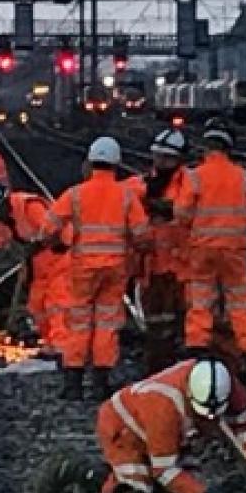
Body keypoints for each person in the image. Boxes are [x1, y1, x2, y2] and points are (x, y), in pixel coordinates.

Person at [45, 136, 150, 402]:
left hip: (83, 269)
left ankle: (73, 384)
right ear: (116, 164)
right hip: (115, 268)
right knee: (107, 322)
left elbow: (48, 227)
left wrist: (57, 244)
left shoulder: (76, 194)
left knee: (78, 322)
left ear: (90, 162)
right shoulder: (126, 195)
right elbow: (142, 235)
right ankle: (101, 384)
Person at [95, 357, 246, 493]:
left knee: (174, 488)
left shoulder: (227, 385)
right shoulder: (163, 405)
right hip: (124, 430)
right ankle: (96, 479)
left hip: (157, 425)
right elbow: (163, 468)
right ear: (189, 394)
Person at [175, 120, 246, 385]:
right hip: (235, 250)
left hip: (203, 249)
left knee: (201, 302)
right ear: (229, 148)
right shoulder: (244, 177)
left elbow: (181, 214)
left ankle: (197, 358)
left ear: (207, 147)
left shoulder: (194, 176)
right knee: (240, 305)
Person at [130, 127, 194, 374]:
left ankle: (185, 366)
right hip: (153, 266)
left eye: (166, 158)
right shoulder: (143, 183)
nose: (160, 162)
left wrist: (167, 209)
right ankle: (159, 368)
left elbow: (188, 212)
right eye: (157, 156)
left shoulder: (189, 184)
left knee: (186, 322)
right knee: (157, 323)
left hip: (183, 267)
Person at [0, 183, 67, 358]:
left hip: (60, 257)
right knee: (36, 305)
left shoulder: (29, 206)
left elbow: (53, 231)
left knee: (56, 303)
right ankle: (49, 343)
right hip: (40, 264)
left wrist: (34, 246)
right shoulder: (6, 220)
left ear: (5, 202)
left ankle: (62, 346)